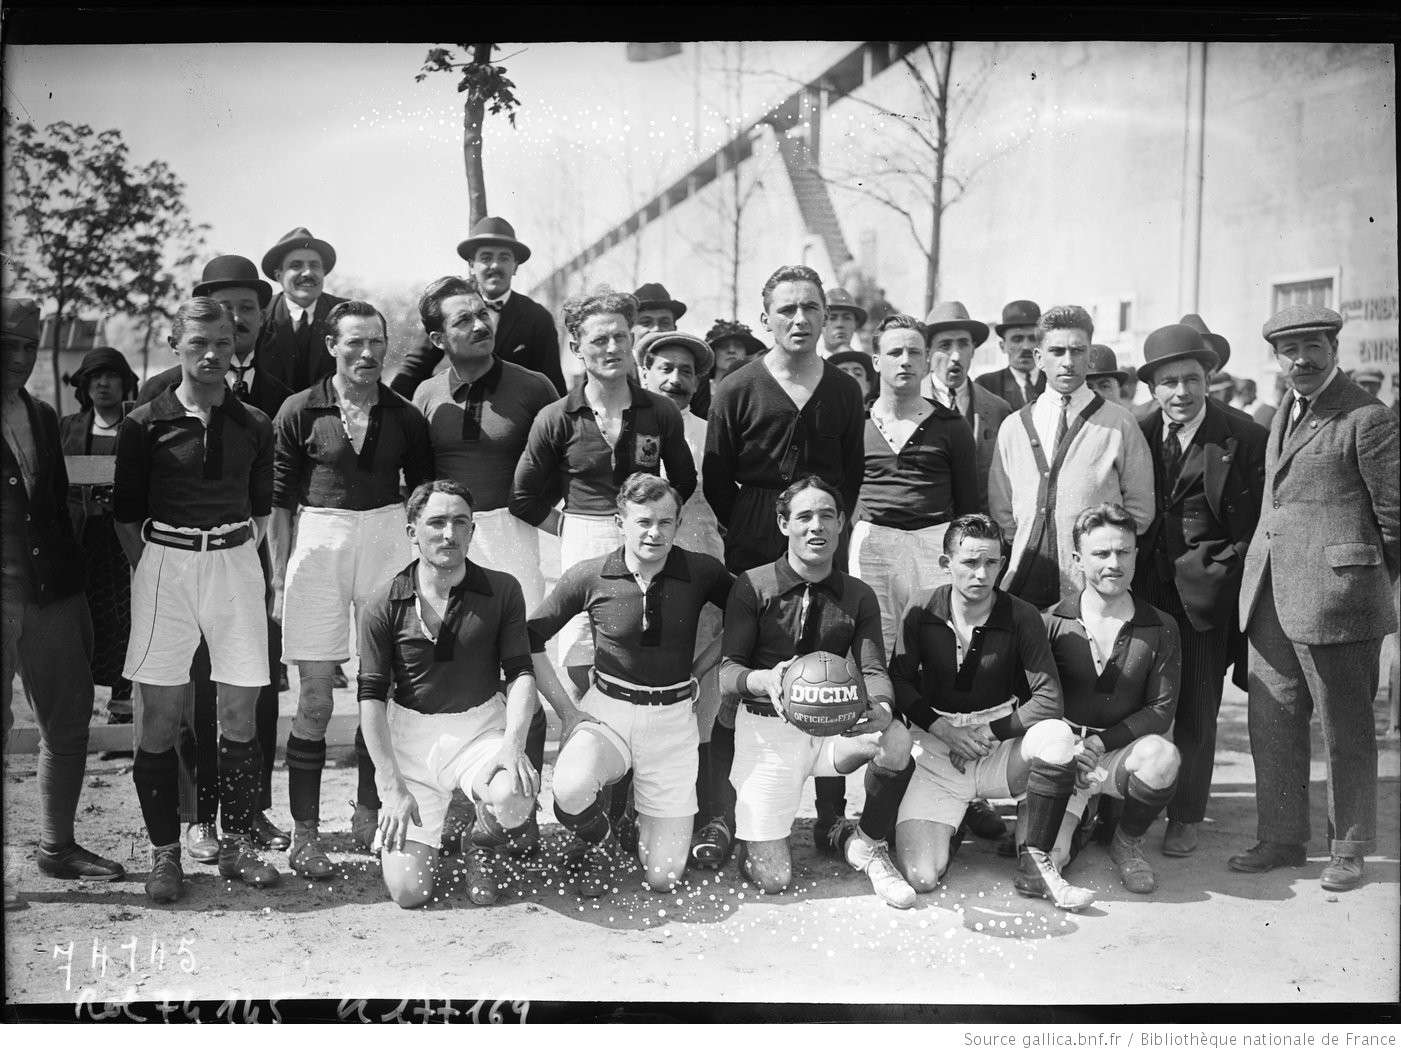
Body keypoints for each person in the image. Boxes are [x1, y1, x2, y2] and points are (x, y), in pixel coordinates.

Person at [113, 297, 278, 902]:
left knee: (239, 713)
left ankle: (237, 845)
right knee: (158, 718)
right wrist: (165, 566)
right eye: (199, 344)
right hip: (165, 565)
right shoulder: (143, 422)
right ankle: (164, 856)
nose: (213, 355)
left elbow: (261, 513)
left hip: (235, 563)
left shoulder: (255, 424)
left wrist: (224, 555)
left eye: (225, 345)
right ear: (175, 346)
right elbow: (126, 519)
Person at [1232, 305, 1399, 893]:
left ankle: (1349, 848)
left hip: (1340, 600)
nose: (1300, 359)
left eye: (1312, 347)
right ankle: (1281, 838)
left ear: (1333, 347)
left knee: (1345, 726)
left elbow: (1395, 518)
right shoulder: (1288, 407)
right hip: (1272, 593)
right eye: (1288, 350)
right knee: (1272, 718)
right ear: (1276, 359)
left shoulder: (1367, 416)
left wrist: (1363, 580)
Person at [703, 265, 867, 864]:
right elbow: (717, 477)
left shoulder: (845, 390)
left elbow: (851, 474)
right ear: (765, 316)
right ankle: (723, 814)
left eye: (812, 309)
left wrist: (820, 524)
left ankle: (830, 816)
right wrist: (754, 520)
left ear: (826, 316)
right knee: (741, 670)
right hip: (755, 535)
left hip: (821, 533)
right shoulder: (737, 387)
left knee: (827, 671)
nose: (800, 320)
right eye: (787, 309)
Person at [139, 255, 295, 864]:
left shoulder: (275, 398)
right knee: (184, 694)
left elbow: (271, 502)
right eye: (221, 309)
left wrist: (256, 564)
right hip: (176, 569)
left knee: (248, 693)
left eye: (246, 309)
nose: (234, 322)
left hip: (242, 563)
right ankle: (196, 817)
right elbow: (135, 504)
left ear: (259, 318)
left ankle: (248, 816)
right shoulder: (157, 399)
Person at [270, 300, 434, 879]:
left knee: (377, 691)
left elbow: (422, 498)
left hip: (386, 543)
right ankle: (306, 833)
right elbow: (280, 504)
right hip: (319, 547)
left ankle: (369, 812)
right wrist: (277, 582)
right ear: (332, 347)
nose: (368, 355)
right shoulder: (298, 410)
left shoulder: (406, 415)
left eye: (377, 343)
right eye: (355, 343)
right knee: (314, 701)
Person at [527, 473, 732, 895]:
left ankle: (632, 817)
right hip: (610, 710)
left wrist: (702, 666)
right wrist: (568, 713)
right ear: (620, 522)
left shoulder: (701, 570)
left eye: (666, 522)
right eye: (643, 521)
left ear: (677, 524)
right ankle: (598, 841)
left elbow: (750, 616)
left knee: (664, 876)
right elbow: (527, 639)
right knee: (570, 788)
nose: (655, 533)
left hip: (674, 720)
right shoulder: (590, 575)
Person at [720, 477, 917, 908]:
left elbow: (872, 669)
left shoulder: (858, 593)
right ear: (783, 523)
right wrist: (766, 679)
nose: (817, 527)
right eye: (805, 516)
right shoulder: (753, 584)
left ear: (843, 523)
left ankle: (868, 844)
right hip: (768, 727)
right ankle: (752, 835)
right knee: (773, 880)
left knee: (897, 739)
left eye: (827, 515)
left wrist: (882, 707)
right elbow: (728, 672)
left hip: (832, 725)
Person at [408, 274, 556, 844]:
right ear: (438, 336)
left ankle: (516, 815)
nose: (479, 325)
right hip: (448, 541)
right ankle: (459, 813)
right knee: (459, 670)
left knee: (525, 667)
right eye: (463, 319)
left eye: (483, 314)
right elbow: (418, 484)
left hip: (514, 536)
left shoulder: (533, 386)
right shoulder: (424, 394)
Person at [887, 512, 1092, 912]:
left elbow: (1049, 699)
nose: (981, 574)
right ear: (947, 564)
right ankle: (956, 816)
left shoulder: (1022, 615)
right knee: (922, 876)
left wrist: (989, 733)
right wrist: (945, 731)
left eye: (992, 563)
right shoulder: (920, 608)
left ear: (1002, 562)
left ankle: (1037, 851)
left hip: (999, 748)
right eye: (969, 562)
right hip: (939, 749)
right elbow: (900, 683)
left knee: (1056, 737)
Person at [358, 479, 540, 908]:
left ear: (473, 530)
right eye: (436, 522)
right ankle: (435, 834)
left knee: (513, 798)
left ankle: (480, 841)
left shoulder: (502, 589)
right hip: (412, 740)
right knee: (409, 894)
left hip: (479, 730)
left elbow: (521, 674)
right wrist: (393, 787)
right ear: (412, 532)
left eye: (460, 522)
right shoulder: (383, 602)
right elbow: (370, 700)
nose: (449, 533)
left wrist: (513, 745)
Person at [3, 297, 126, 907]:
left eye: (29, 347)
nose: (20, 359)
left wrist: (75, 589)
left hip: (49, 585)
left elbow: (53, 507)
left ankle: (57, 847)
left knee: (69, 718)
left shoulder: (44, 415)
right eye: (8, 345)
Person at [511, 291, 696, 687]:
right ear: (577, 347)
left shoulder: (660, 411)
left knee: (642, 638)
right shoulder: (556, 417)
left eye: (620, 337)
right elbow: (522, 498)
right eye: (599, 340)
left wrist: (656, 521)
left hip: (644, 536)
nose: (612, 349)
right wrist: (568, 528)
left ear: (632, 340)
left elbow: (684, 480)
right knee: (581, 649)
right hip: (582, 535)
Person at [1134, 323, 1266, 857]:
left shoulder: (1244, 435)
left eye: (1191, 379)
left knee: (1197, 706)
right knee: (1135, 699)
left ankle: (1186, 814)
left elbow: (1255, 522)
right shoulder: (1137, 432)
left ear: (1209, 378)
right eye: (1169, 382)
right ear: (1153, 388)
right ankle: (1128, 803)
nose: (1181, 393)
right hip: (1142, 588)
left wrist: (1225, 567)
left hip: (1205, 595)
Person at [1045, 503, 1183, 894]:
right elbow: (1037, 700)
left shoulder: (1161, 625)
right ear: (1077, 559)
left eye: (1123, 552)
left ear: (1136, 555)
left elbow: (1160, 711)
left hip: (1116, 753)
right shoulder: (1052, 622)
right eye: (1101, 553)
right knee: (1048, 860)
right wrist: (1069, 749)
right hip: (1067, 756)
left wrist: (1101, 742)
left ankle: (1127, 841)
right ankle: (1078, 820)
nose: (1113, 563)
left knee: (1162, 756)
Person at [634, 332, 730, 868]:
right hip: (637, 578)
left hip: (697, 569)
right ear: (643, 371)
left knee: (702, 691)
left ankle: (708, 812)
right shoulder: (627, 425)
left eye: (687, 372)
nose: (675, 380)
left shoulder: (710, 432)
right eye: (664, 368)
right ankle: (632, 808)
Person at [988, 305, 1155, 609]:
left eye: (1077, 351)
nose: (1067, 362)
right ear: (1039, 357)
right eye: (1057, 351)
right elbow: (1002, 509)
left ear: (1089, 356)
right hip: (1023, 582)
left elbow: (1141, 510)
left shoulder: (1119, 423)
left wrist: (1102, 552)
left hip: (1091, 589)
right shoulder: (1014, 426)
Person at [851, 312, 978, 653]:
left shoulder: (951, 425)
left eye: (914, 352)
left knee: (936, 641)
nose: (905, 361)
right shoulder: (855, 422)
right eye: (895, 353)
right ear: (876, 361)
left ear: (925, 362)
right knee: (873, 642)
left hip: (933, 543)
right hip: (873, 543)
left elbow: (969, 507)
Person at [390, 217, 565, 397]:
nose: (495, 266)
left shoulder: (536, 317)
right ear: (472, 266)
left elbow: (553, 385)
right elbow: (414, 369)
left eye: (504, 258)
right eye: (486, 258)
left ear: (515, 266)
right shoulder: (448, 308)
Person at [60, 347, 140, 733]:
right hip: (82, 541)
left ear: (125, 383)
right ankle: (76, 713)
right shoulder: (68, 427)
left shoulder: (136, 425)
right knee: (84, 622)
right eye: (95, 377)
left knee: (126, 620)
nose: (103, 384)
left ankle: (122, 711)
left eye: (111, 377)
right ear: (85, 385)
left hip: (124, 542)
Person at [922, 300, 1012, 514]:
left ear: (973, 350)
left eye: (963, 344)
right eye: (944, 346)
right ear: (927, 352)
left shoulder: (998, 409)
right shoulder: (909, 403)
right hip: (925, 532)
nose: (955, 356)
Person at [255, 227, 347, 394]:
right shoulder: (260, 314)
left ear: (323, 272)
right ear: (278, 275)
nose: (307, 273)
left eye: (314, 265)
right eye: (296, 265)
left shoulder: (344, 315)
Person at [976, 299, 1045, 410]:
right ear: (1003, 346)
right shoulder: (986, 385)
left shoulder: (1054, 382)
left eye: (1032, 338)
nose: (1026, 347)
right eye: (1017, 339)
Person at [821, 287, 867, 357]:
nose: (840, 324)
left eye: (847, 318)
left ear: (855, 324)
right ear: (820, 324)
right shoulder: (807, 365)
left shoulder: (865, 365)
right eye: (832, 318)